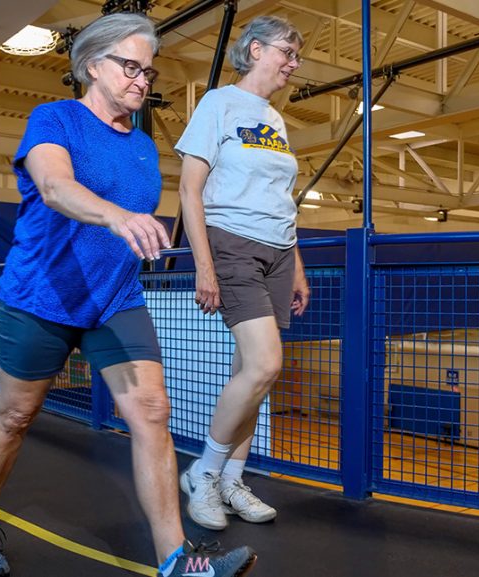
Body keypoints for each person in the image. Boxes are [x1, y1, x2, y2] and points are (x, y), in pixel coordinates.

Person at [0, 13, 256, 577]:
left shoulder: (143, 148)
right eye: (130, 66)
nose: (143, 80)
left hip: (115, 301)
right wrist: (117, 217)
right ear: (92, 66)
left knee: (151, 412)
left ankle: (176, 558)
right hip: (41, 297)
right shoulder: (56, 119)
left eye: (149, 70)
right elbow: (53, 185)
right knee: (15, 416)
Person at [174, 14, 310, 531]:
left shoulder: (274, 120)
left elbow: (282, 201)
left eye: (296, 57)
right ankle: (204, 473)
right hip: (233, 245)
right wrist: (203, 265)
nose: (292, 65)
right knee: (264, 366)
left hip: (279, 250)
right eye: (286, 53)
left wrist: (295, 265)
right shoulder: (217, 104)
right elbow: (190, 189)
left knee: (251, 377)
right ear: (254, 50)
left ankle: (232, 477)